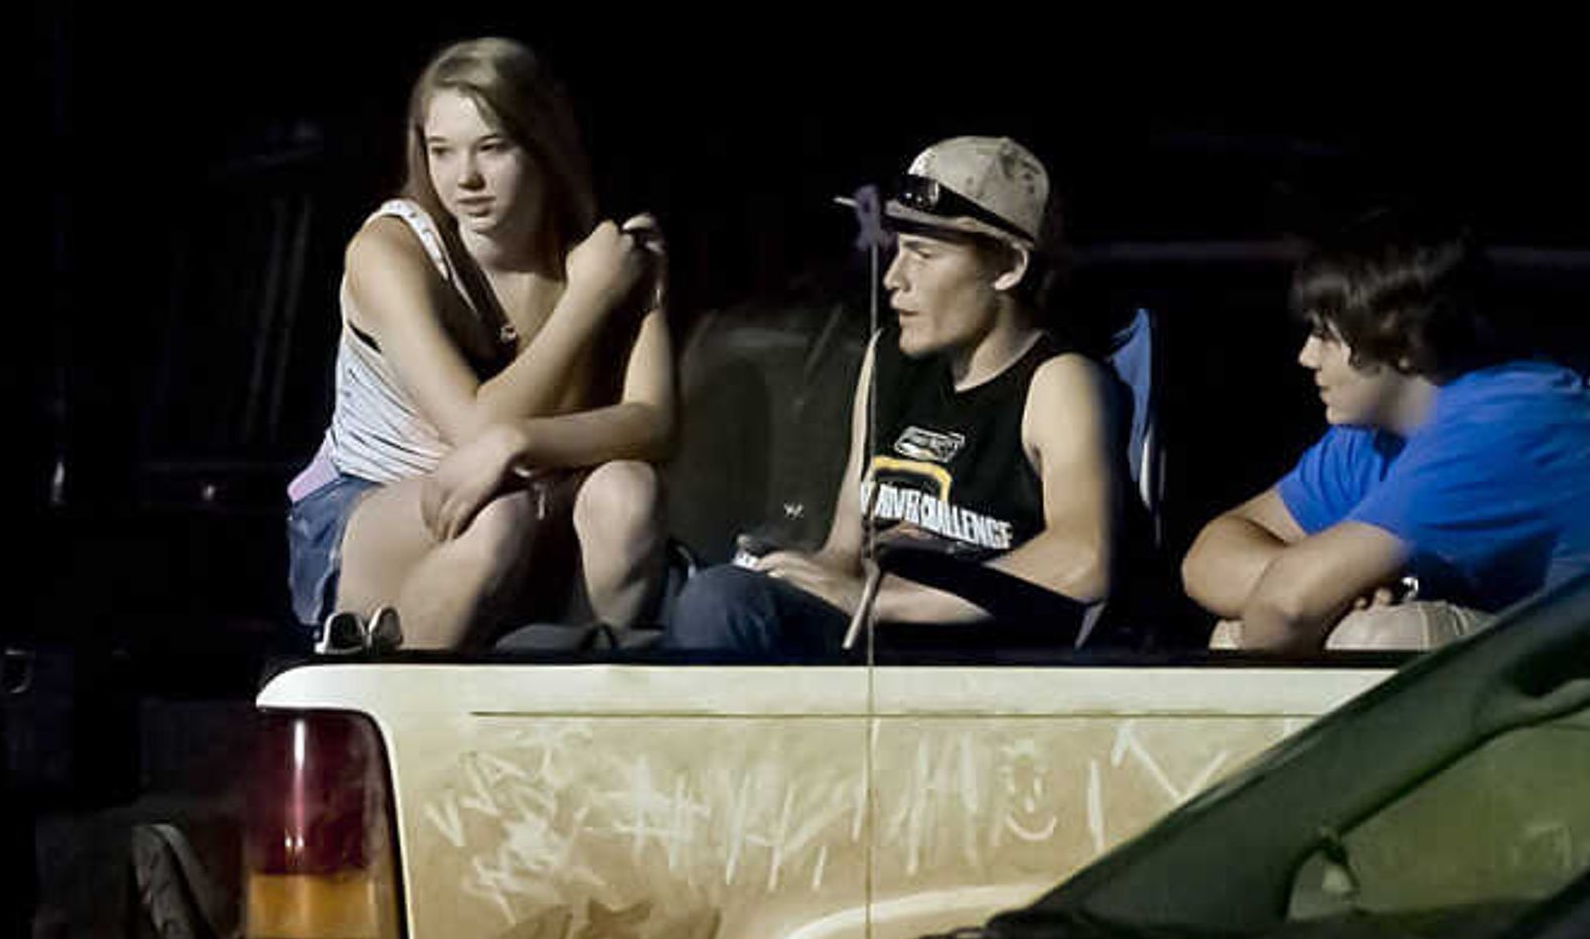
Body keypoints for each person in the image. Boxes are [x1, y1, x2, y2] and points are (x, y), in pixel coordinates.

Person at [665, 137, 1137, 655]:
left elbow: (1086, 559)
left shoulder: (1059, 382)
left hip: (974, 663)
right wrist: (789, 573)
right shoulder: (889, 357)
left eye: (923, 254)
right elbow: (846, 550)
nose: (893, 278)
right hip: (871, 648)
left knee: (718, 604)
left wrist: (882, 600)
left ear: (1008, 266)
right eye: (897, 249)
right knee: (714, 593)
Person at [288, 36, 676, 649]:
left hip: (532, 493)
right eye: (441, 151)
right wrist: (587, 299)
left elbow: (653, 423)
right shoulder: (390, 251)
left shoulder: (610, 250)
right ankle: (399, 700)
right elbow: (474, 428)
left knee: (627, 491)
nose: (464, 177)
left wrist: (519, 440)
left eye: (492, 148)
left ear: (543, 146)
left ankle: (584, 689)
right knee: (496, 517)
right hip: (374, 504)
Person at [1183, 218, 1590, 654]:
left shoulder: (1504, 423)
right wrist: (1336, 589)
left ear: (1403, 344)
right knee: (1244, 631)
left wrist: (1319, 591)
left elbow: (1288, 607)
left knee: (1378, 638)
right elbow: (1207, 558)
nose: (1305, 357)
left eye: (1325, 335)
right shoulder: (1379, 431)